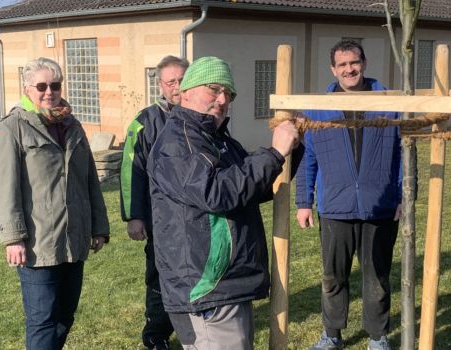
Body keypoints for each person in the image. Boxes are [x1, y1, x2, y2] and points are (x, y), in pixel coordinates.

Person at [147, 56, 300, 349]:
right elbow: (216, 192)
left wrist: (293, 147)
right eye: (214, 89)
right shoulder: (177, 143)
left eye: (228, 93)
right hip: (207, 288)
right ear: (187, 91)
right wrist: (274, 153)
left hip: (228, 284)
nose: (222, 99)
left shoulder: (218, 139)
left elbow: (255, 186)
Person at [0, 57, 110, 350]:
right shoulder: (12, 127)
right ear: (28, 88)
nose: (49, 91)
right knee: (42, 320)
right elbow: (2, 187)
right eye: (41, 85)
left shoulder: (72, 125)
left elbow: (90, 179)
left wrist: (99, 226)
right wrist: (13, 238)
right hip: (37, 244)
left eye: (55, 85)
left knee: (65, 317)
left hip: (73, 240)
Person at [296, 39, 401, 350]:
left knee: (377, 278)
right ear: (333, 69)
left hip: (379, 205)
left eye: (353, 62)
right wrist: (304, 202)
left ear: (364, 63)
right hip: (335, 206)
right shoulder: (318, 107)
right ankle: (332, 334)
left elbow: (403, 155)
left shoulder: (388, 103)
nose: (349, 69)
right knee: (333, 277)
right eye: (342, 65)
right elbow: (307, 159)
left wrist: (403, 198)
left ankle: (378, 337)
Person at [119, 55, 195, 349]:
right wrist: (134, 216)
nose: (177, 86)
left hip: (197, 216)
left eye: (182, 79)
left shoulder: (203, 115)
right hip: (160, 221)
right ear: (160, 85)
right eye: (171, 81)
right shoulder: (145, 121)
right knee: (160, 277)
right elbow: (131, 171)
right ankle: (156, 335)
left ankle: (195, 328)